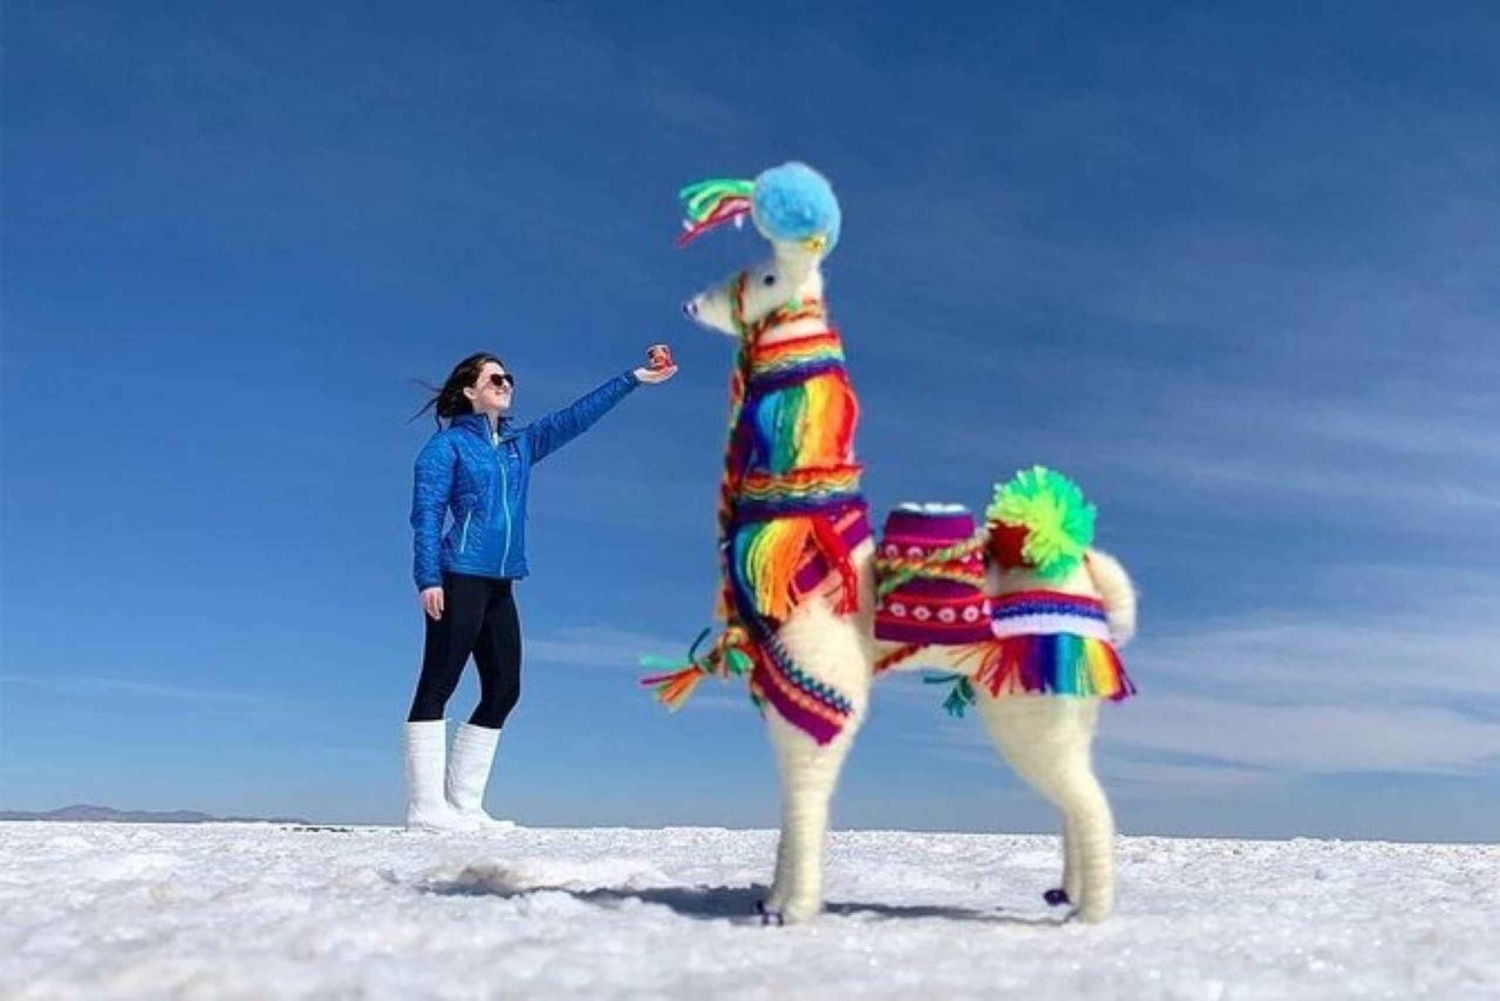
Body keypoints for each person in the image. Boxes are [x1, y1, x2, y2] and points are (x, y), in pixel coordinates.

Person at [403, 349, 677, 830]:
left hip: (501, 581)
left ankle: (464, 806)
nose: (507, 384)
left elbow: (577, 418)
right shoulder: (444, 449)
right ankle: (426, 809)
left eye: (509, 377)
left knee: (505, 687)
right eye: (495, 379)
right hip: (458, 575)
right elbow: (426, 516)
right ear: (470, 391)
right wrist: (428, 578)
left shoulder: (518, 446)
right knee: (439, 682)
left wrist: (634, 378)